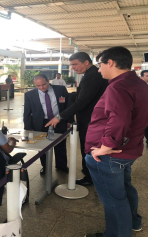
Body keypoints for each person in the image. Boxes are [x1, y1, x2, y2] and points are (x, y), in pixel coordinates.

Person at [83, 46, 148, 237]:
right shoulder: (140, 85)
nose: (99, 70)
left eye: (100, 65)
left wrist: (105, 146)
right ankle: (133, 221)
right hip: (129, 150)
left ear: (111, 63)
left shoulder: (117, 86)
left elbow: (119, 120)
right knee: (125, 187)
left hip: (111, 154)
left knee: (113, 198)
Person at [46, 52, 108, 186]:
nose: (73, 68)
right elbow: (83, 95)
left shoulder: (93, 75)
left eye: (75, 64)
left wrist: (59, 116)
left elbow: (81, 102)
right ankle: (89, 172)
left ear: (86, 62)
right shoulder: (89, 74)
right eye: (71, 65)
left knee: (89, 148)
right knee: (88, 148)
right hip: (89, 118)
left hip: (91, 120)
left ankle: (91, 177)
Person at [23, 74, 73, 174]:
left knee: (60, 144)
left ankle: (61, 165)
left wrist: (69, 120)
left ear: (48, 81)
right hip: (41, 123)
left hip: (59, 120)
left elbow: (68, 105)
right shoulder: (29, 94)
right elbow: (27, 112)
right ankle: (45, 166)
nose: (41, 87)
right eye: (38, 86)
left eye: (44, 84)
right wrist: (28, 127)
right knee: (42, 146)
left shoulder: (60, 89)